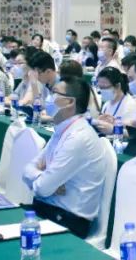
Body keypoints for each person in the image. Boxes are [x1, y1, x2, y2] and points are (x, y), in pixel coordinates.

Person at [22, 78, 105, 238]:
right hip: (47, 209)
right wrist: (41, 176)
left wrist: (44, 180)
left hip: (68, 221)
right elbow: (26, 171)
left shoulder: (78, 137)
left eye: (54, 93)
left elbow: (42, 188)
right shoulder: (63, 129)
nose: (48, 98)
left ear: (69, 102)